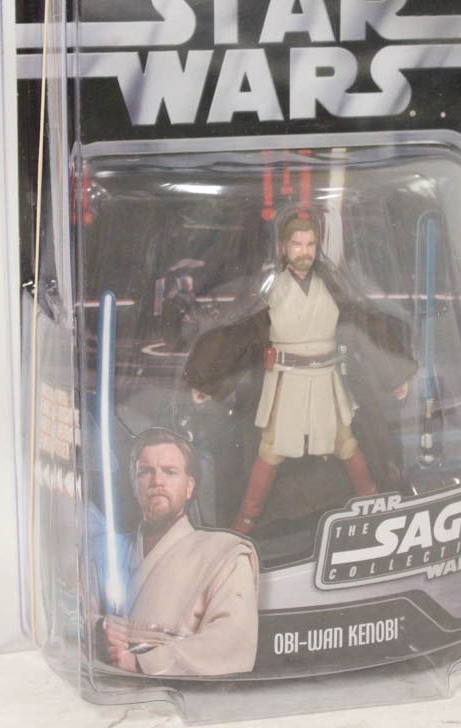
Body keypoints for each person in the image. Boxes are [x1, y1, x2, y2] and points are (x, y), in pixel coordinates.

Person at [185, 210, 417, 534]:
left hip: (324, 379)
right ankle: (245, 520)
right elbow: (244, 332)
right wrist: (209, 379)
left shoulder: (330, 286)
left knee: (345, 443)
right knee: (271, 449)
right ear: (284, 247)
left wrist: (394, 372)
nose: (304, 251)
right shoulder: (273, 290)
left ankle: (371, 500)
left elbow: (362, 322)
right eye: (297, 244)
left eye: (310, 244)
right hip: (288, 381)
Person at [101, 429, 259, 676]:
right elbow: (70, 615)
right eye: (145, 472)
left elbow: (232, 640)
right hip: (106, 682)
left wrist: (141, 663)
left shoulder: (224, 555)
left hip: (186, 691)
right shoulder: (108, 552)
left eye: (170, 472)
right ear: (134, 485)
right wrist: (99, 627)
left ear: (189, 487)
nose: (157, 481)